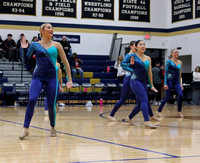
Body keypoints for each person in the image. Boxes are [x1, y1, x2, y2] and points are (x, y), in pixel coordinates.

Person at [19, 23, 73, 140]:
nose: (51, 29)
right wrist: (23, 50)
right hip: (37, 77)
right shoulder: (35, 45)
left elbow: (66, 62)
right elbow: (26, 62)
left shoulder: (57, 45)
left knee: (51, 105)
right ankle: (25, 128)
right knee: (32, 99)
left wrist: (69, 79)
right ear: (42, 31)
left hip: (52, 78)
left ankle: (53, 127)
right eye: (48, 27)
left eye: (52, 27)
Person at [121, 40, 158, 129]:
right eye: (140, 44)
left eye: (144, 44)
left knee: (140, 104)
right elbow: (123, 65)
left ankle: (129, 117)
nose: (143, 46)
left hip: (143, 82)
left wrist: (152, 85)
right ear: (136, 47)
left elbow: (150, 73)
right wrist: (131, 66)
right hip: (134, 81)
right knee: (144, 99)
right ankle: (147, 121)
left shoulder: (148, 58)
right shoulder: (132, 56)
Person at [157, 49, 184, 118]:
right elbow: (165, 73)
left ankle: (179, 111)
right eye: (175, 52)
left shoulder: (180, 62)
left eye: (178, 52)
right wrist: (165, 83)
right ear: (172, 54)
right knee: (167, 97)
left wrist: (181, 84)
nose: (177, 53)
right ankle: (159, 111)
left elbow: (180, 73)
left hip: (176, 81)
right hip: (169, 80)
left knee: (181, 95)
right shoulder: (169, 61)